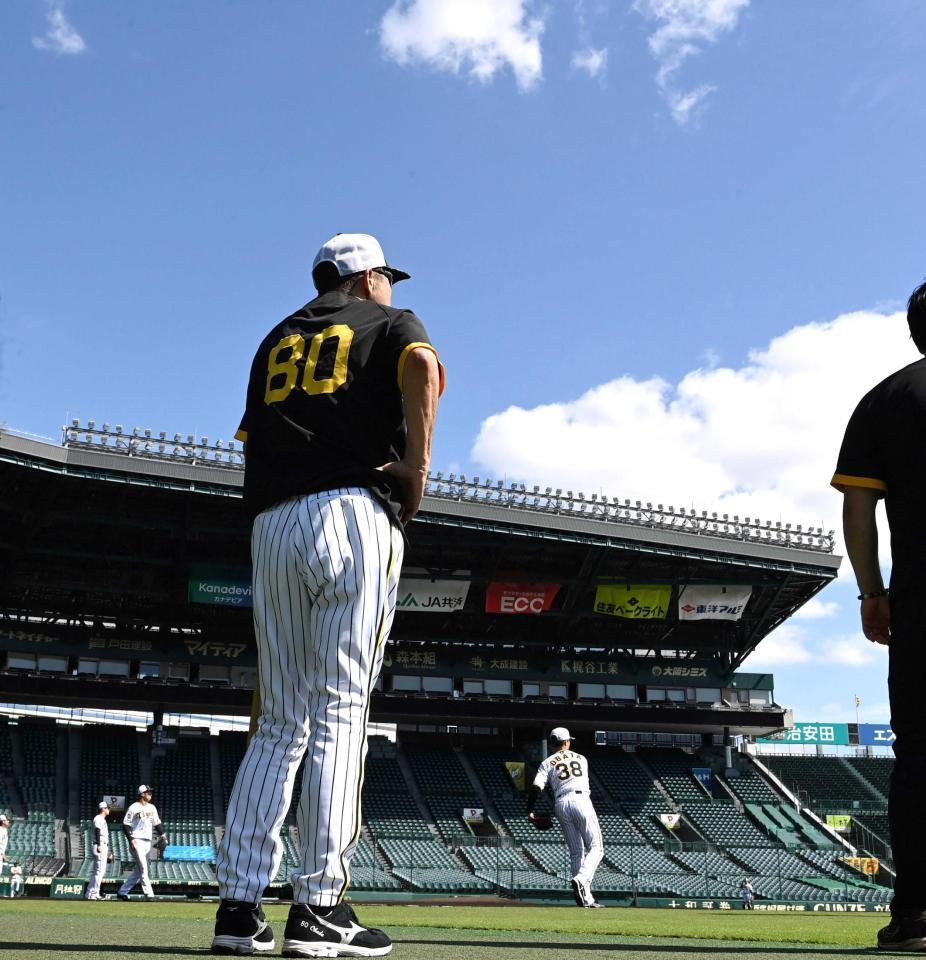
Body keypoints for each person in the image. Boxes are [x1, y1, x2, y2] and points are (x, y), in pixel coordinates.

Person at [213, 233, 443, 957]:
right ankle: (319, 907)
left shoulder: (275, 338)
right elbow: (422, 366)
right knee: (341, 710)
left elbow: (251, 439)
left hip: (273, 524)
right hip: (351, 513)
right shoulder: (387, 320)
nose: (391, 288)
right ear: (367, 275)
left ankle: (238, 909)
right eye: (387, 277)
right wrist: (416, 470)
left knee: (280, 718)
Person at [832, 280, 926, 952]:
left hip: (921, 603)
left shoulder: (885, 399)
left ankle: (914, 914)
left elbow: (858, 511)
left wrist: (871, 591)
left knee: (918, 758)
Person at [527, 727, 604, 908]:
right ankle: (581, 879)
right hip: (580, 799)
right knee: (597, 848)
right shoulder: (581, 759)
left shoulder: (546, 763)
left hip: (560, 803)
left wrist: (529, 811)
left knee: (577, 852)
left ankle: (586, 899)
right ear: (567, 741)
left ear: (552, 743)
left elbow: (536, 787)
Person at [117, 785, 165, 901]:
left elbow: (157, 823)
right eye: (148, 792)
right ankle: (149, 894)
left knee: (139, 871)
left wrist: (163, 835)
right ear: (142, 794)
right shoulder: (134, 807)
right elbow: (125, 824)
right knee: (144, 868)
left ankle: (122, 892)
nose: (150, 794)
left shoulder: (152, 807)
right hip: (137, 840)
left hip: (147, 842)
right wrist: (131, 839)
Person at [85, 800, 110, 900]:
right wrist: (100, 845)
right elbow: (97, 831)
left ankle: (89, 893)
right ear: (103, 809)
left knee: (97, 871)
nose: (109, 810)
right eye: (107, 808)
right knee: (100, 871)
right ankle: (95, 893)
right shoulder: (99, 818)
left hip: (101, 845)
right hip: (99, 845)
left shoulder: (101, 819)